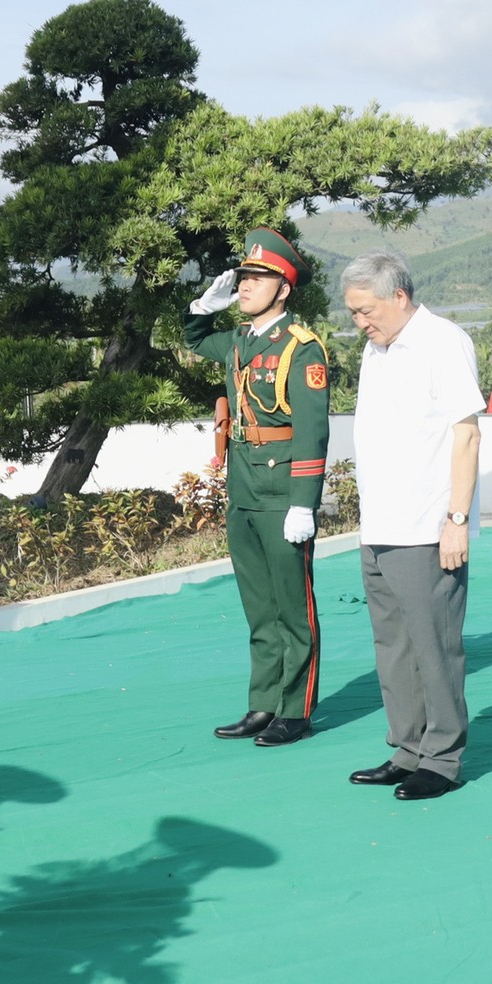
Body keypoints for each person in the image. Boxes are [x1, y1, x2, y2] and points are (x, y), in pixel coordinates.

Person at [183, 227, 333, 747]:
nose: (246, 285)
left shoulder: (302, 348)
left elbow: (313, 431)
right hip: (243, 486)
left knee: (293, 607)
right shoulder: (240, 340)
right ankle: (263, 703)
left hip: (282, 492)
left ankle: (296, 709)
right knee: (258, 606)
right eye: (244, 276)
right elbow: (196, 339)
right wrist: (205, 305)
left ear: (284, 288)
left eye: (258, 277)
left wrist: (303, 505)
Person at [342, 250, 482, 800]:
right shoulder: (378, 349)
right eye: (353, 313)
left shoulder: (443, 342)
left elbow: (466, 434)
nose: (360, 322)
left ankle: (442, 760)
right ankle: (407, 749)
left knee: (434, 646)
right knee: (393, 646)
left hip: (427, 527)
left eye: (366, 310)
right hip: (380, 526)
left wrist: (456, 520)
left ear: (398, 296)